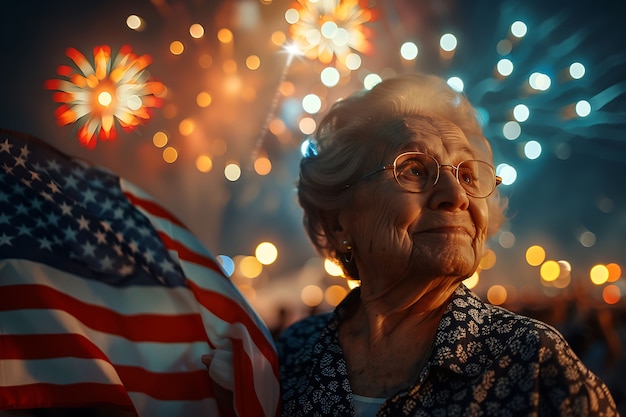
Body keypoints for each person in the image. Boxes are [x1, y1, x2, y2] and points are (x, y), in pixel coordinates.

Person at [275, 73, 618, 416]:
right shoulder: (286, 356)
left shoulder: (533, 361)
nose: (456, 197)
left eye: (468, 176)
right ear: (339, 222)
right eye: (413, 170)